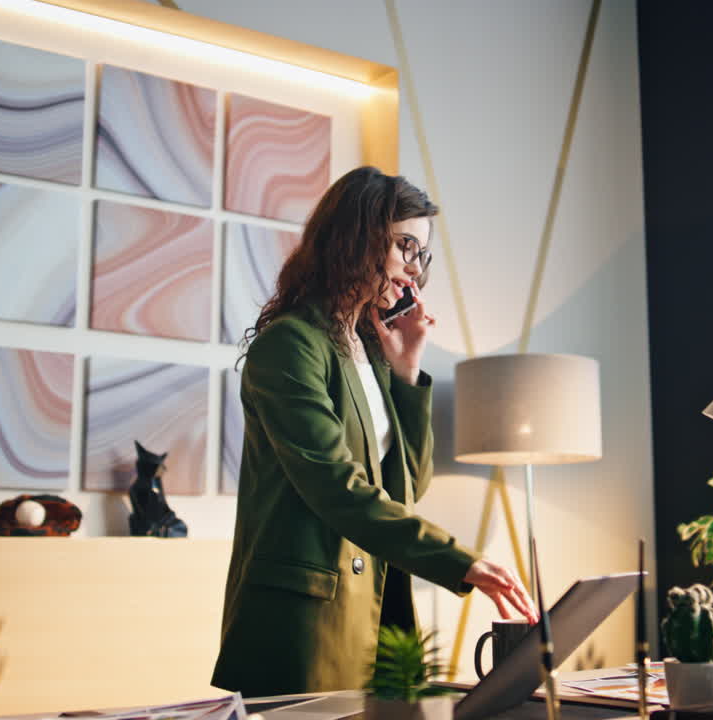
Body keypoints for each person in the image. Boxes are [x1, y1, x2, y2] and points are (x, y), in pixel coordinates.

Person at [211, 166, 536, 697]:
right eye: (405, 245)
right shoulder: (290, 345)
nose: (415, 267)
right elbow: (336, 488)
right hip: (304, 625)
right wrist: (462, 562)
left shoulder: (368, 350)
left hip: (380, 611)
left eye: (421, 253)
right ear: (356, 238)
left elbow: (409, 485)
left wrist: (406, 373)